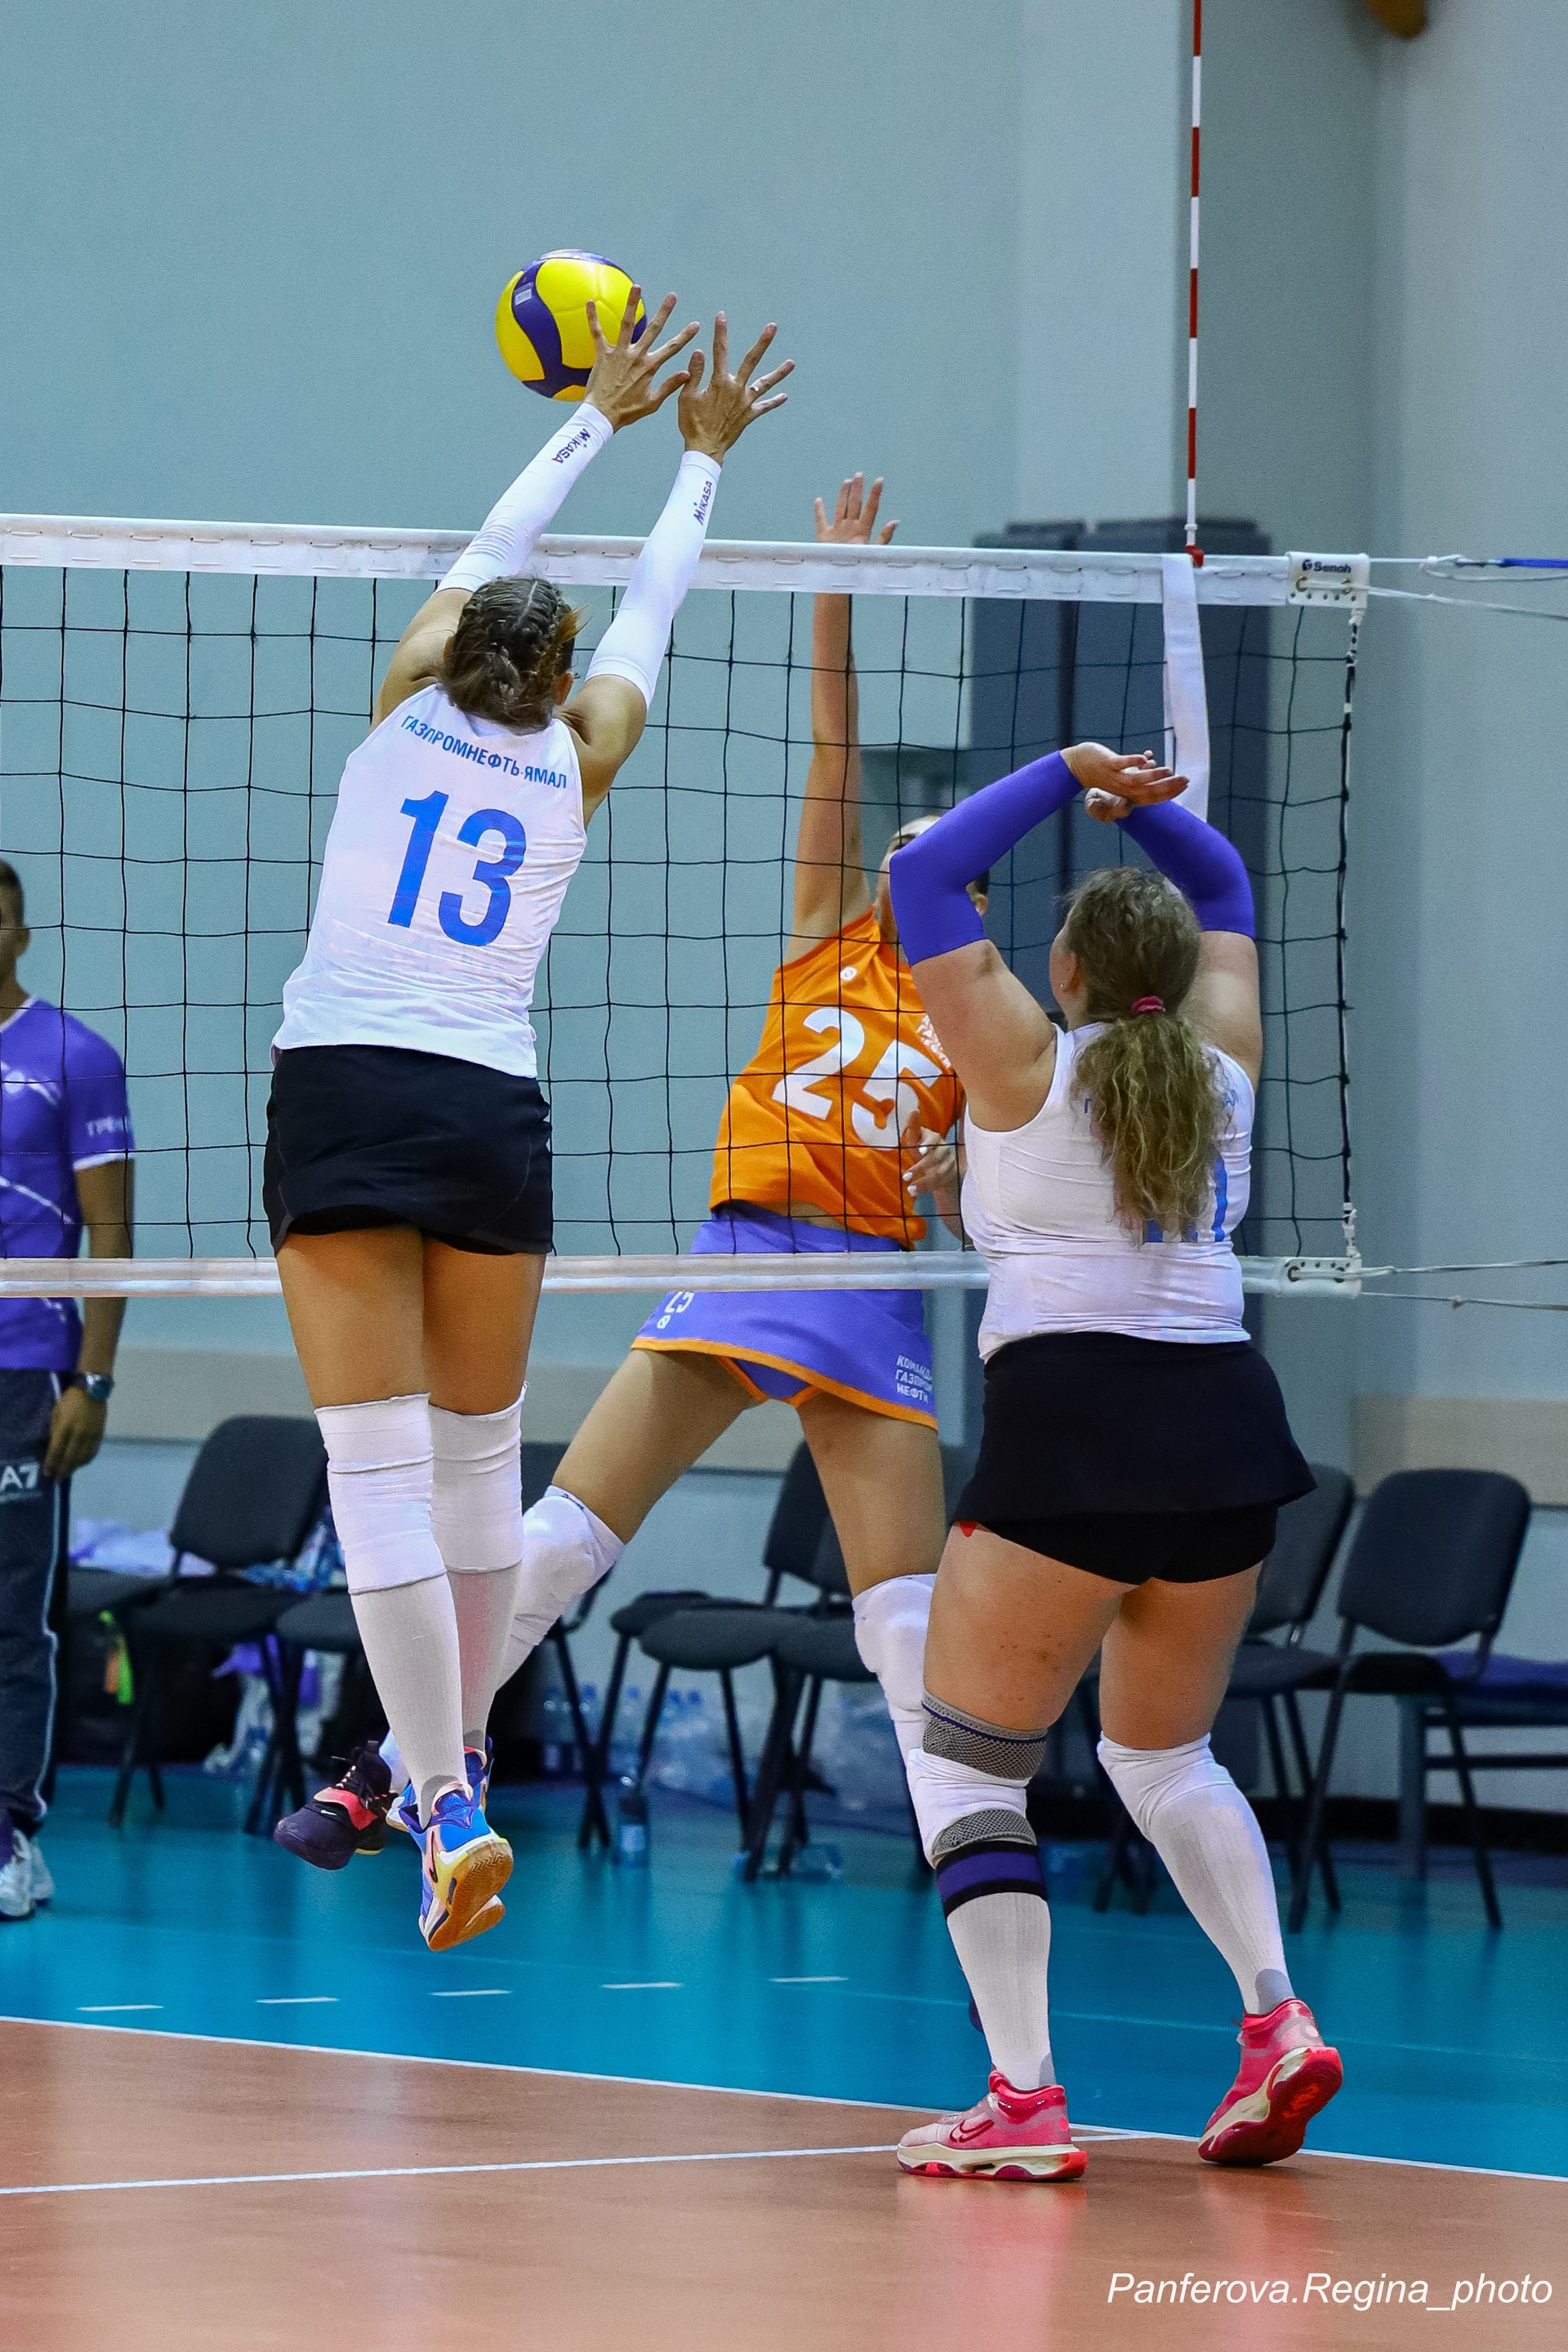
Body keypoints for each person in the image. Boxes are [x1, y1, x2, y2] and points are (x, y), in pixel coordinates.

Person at [276, 474, 982, 1870]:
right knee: (553, 1534)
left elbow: (994, 1195)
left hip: (868, 1283)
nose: (912, 860)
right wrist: (835, 589)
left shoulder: (990, 1023)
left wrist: (967, 1175)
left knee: (903, 1619)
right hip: (746, 1253)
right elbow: (835, 744)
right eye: (907, 848)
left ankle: (973, 1847)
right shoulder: (828, 930)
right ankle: (406, 1769)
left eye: (942, 861)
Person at [264, 296, 791, 1952]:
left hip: (344, 1085)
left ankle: (441, 1800)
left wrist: (594, 423)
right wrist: (702, 459)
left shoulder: (399, 708)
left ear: (452, 654)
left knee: (375, 1479)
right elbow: (653, 609)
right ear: (558, 682)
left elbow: (494, 553)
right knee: (479, 1463)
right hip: (486, 1108)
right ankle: (465, 1763)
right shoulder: (582, 756)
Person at [881, 744, 1342, 2180]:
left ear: (1064, 968)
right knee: (1163, 1755)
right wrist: (1147, 811)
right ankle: (1275, 2021)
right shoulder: (1224, 1067)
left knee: (970, 1767)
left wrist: (1063, 772)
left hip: (1070, 1436)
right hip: (1228, 1436)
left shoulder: (1019, 1061)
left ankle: (1023, 2103)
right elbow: (1228, 885)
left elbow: (923, 875)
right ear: (1184, 975)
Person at [0, 859, 134, 1922]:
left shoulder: (72, 1058)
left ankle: (9, 1829)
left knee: (12, 1615)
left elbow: (112, 1237)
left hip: (25, 1367)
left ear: (20, 934)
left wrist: (92, 1376)